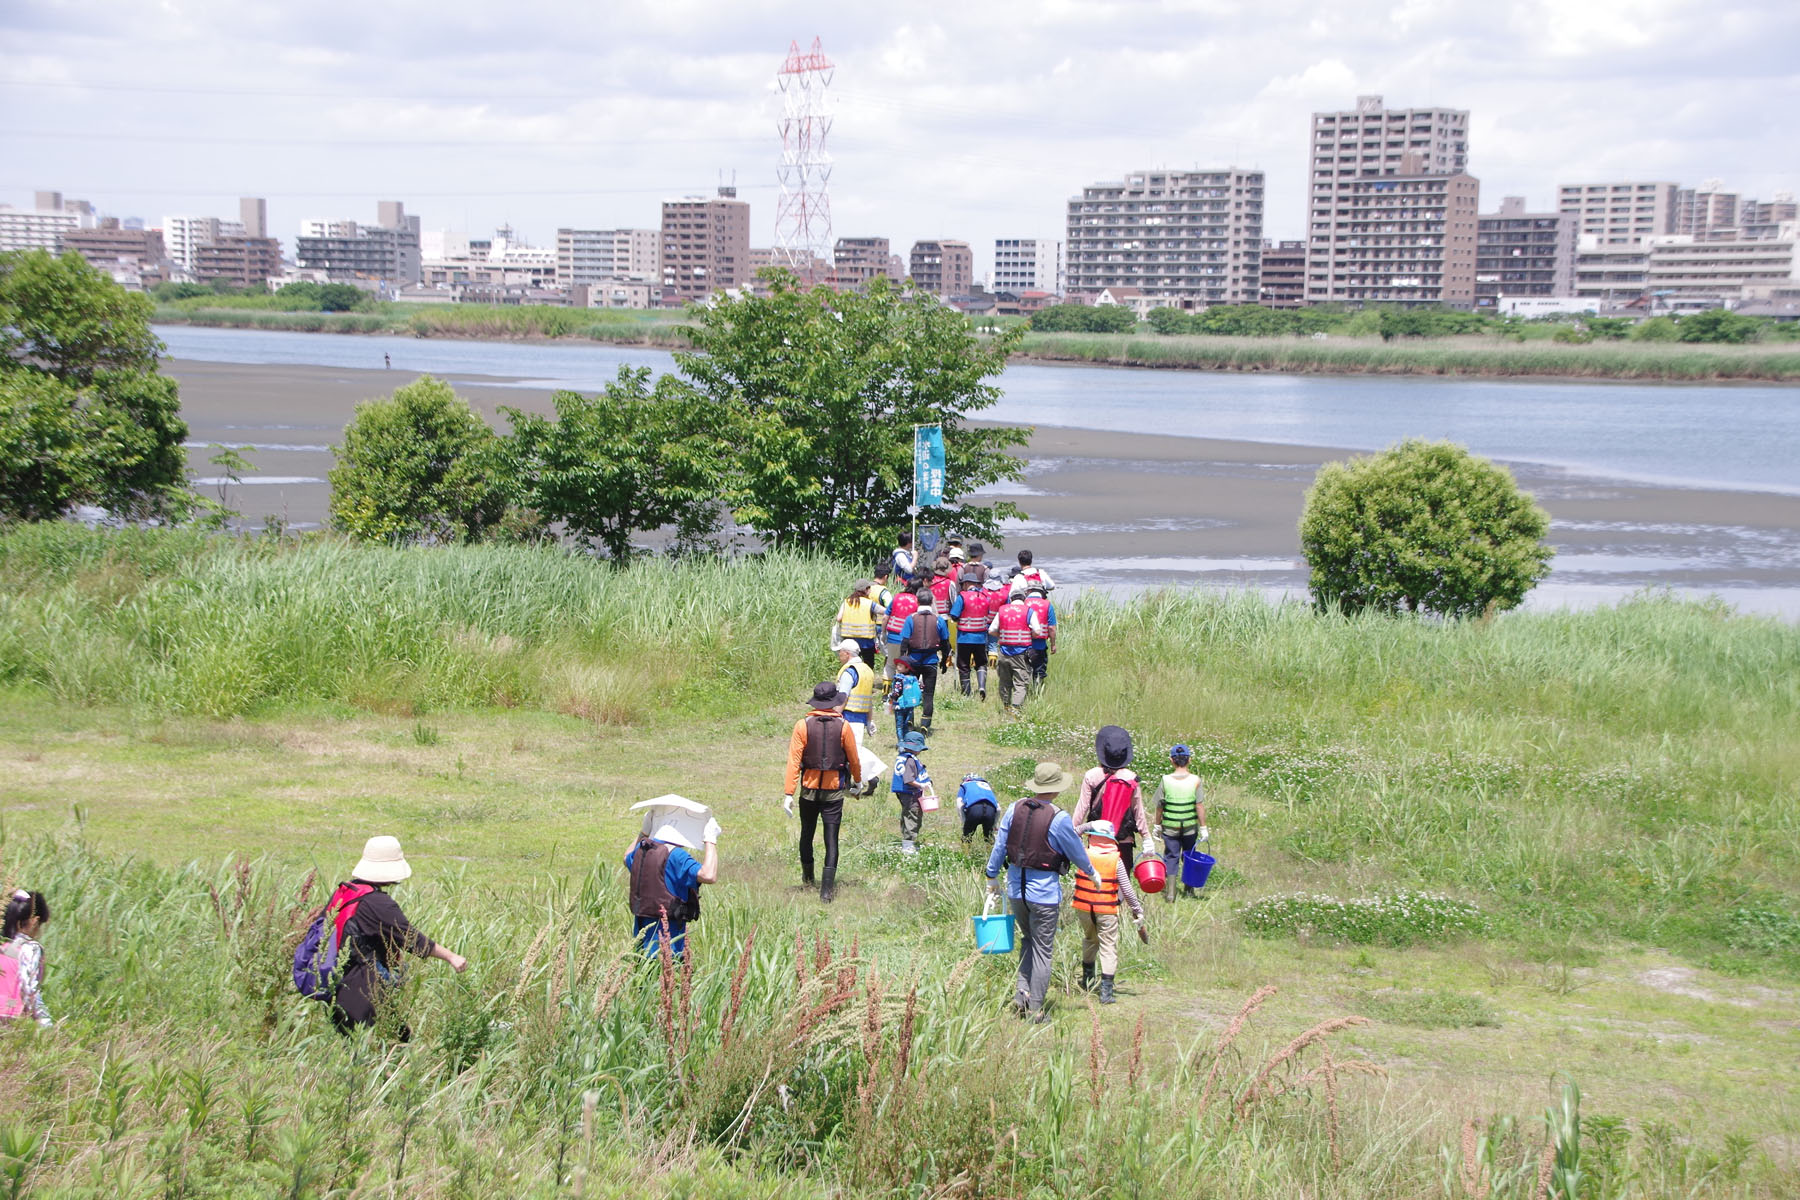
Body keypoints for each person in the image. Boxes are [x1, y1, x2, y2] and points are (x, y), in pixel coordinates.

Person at [985, 762, 1096, 1023]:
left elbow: (1000, 845)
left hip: (1016, 890)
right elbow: (1076, 851)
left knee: (1027, 940)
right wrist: (1092, 872)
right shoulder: (1058, 817)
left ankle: (1021, 997)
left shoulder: (1014, 808)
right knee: (1043, 950)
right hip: (1043, 895)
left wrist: (992, 876)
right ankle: (1036, 1009)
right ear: (1056, 789)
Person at [329, 836, 467, 1038]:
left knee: (390, 1042)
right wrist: (452, 957)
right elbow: (413, 940)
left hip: (338, 986)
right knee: (385, 1049)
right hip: (363, 992)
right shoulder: (378, 903)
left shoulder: (346, 893)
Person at [784, 681, 864, 903]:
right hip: (834, 791)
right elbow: (854, 758)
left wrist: (788, 793)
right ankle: (826, 892)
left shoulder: (802, 725)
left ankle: (808, 880)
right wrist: (857, 781)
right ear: (834, 702)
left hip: (808, 790)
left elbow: (794, 761)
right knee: (832, 838)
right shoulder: (844, 726)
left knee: (806, 833)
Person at [625, 796, 720, 957]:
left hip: (641, 945)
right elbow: (709, 875)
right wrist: (710, 840)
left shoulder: (642, 850)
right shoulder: (676, 856)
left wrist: (644, 832)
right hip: (668, 945)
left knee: (643, 980)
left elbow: (627, 856)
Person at [1071, 819, 1146, 1004]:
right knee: (1108, 946)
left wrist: (1087, 825)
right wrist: (1137, 909)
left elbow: (1072, 833)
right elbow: (1127, 890)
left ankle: (1087, 981)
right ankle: (1106, 993)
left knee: (1090, 940)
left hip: (1083, 907)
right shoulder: (1116, 861)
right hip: (1106, 909)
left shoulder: (1082, 854)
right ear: (1111, 839)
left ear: (1092, 837)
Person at [1073, 726, 1153, 872]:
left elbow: (1082, 807)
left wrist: (1073, 830)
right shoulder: (1131, 778)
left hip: (1097, 839)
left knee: (1099, 882)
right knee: (1122, 883)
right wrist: (1146, 838)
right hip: (1123, 839)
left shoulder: (1091, 776)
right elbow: (1138, 811)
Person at [1156, 744, 1210, 902]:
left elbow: (1160, 806)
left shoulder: (1165, 780)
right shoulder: (1195, 780)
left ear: (1171, 760)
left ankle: (1171, 894)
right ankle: (1189, 889)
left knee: (1171, 856)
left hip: (1170, 827)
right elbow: (1199, 805)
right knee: (1189, 855)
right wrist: (1203, 827)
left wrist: (1157, 825)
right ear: (1189, 760)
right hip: (1189, 827)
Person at [988, 583, 1047, 718]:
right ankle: (1016, 710)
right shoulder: (1029, 611)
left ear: (1011, 598)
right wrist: (1028, 635)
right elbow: (1038, 631)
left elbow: (991, 630)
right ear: (1024, 598)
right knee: (1020, 683)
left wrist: (1002, 636)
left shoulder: (1002, 610)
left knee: (1004, 682)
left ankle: (1006, 707)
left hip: (1004, 651)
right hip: (1021, 653)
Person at [897, 590, 949, 733]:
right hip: (931, 660)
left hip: (913, 661)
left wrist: (902, 661)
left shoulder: (911, 618)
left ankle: (909, 721)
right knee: (928, 693)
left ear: (917, 602)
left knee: (909, 691)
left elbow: (905, 642)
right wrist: (944, 661)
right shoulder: (939, 620)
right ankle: (925, 723)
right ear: (931, 602)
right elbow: (945, 643)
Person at [2, 889, 53, 1028]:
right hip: (10, 1018)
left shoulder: (3, 946)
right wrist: (45, 1023)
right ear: (34, 921)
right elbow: (29, 989)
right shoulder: (30, 949)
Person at [950, 569, 993, 699]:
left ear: (967, 583)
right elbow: (987, 613)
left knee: (963, 665)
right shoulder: (985, 597)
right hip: (980, 638)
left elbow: (954, 615)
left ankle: (966, 693)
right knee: (981, 663)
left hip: (964, 637)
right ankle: (981, 686)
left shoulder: (962, 597)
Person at [890, 730, 932, 854]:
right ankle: (908, 846)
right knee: (912, 816)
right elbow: (908, 779)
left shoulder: (904, 757)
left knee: (907, 814)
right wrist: (921, 785)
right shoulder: (910, 760)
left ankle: (907, 842)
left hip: (903, 793)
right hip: (909, 793)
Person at [830, 580, 881, 667]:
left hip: (849, 640)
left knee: (851, 664)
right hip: (866, 642)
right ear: (866, 589)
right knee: (868, 665)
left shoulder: (847, 602)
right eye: (869, 588)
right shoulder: (869, 603)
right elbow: (885, 611)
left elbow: (839, 618)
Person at [880, 581, 919, 687]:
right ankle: (904, 690)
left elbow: (885, 617)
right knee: (907, 666)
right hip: (908, 640)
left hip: (893, 636)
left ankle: (886, 693)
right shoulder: (917, 601)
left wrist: (883, 633)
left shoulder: (897, 597)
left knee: (890, 665)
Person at [1024, 582, 1058, 686]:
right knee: (1039, 671)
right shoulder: (1047, 604)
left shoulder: (1022, 603)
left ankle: (1023, 691)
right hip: (1040, 645)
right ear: (1042, 592)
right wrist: (1053, 644)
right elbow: (1051, 628)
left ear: (1028, 591)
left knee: (1023, 670)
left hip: (1023, 644)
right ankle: (1037, 693)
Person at [956, 772, 1000, 843]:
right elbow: (998, 808)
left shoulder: (964, 785)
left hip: (974, 809)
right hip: (990, 810)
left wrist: (964, 821)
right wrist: (994, 825)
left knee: (967, 837)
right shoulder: (987, 786)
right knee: (989, 838)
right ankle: (989, 852)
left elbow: (959, 804)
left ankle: (966, 852)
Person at [885, 658, 922, 743]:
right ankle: (907, 740)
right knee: (906, 724)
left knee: (899, 726)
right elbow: (921, 688)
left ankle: (901, 742)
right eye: (897, 665)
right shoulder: (913, 678)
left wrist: (891, 697)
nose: (898, 667)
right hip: (910, 705)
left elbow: (896, 692)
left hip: (899, 705)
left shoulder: (899, 679)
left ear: (907, 668)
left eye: (900, 665)